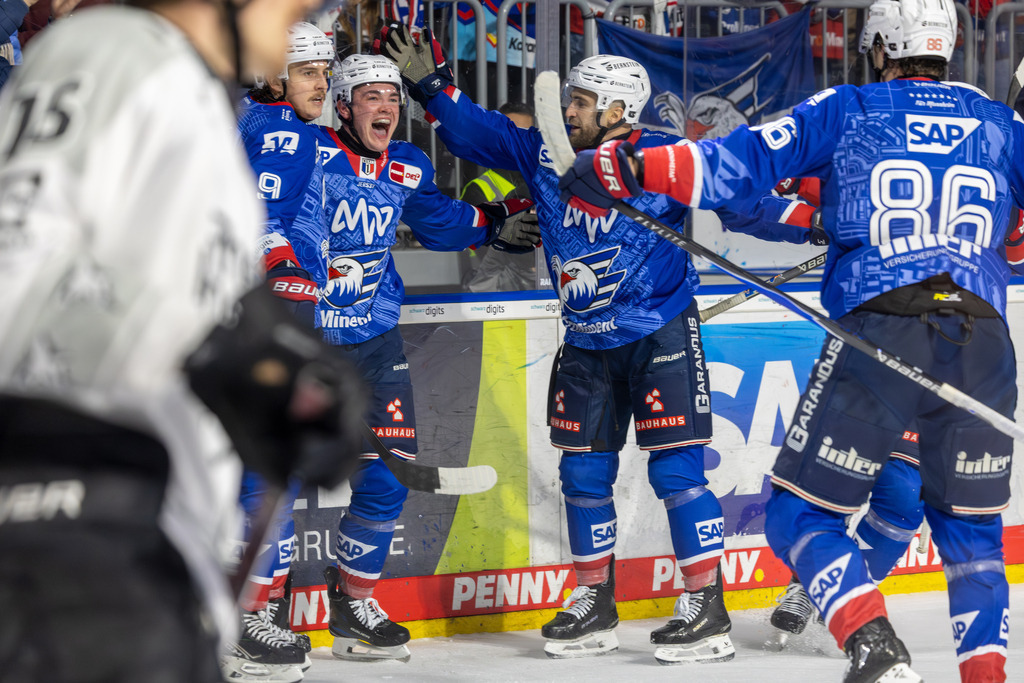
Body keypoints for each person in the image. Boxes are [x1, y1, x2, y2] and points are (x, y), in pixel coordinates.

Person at [559, 0, 1019, 680]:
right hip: (984, 335)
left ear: (882, 46)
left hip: (884, 324)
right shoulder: (1003, 122)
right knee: (972, 534)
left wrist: (627, 166)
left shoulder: (852, 107)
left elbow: (724, 169)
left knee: (799, 515)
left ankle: (873, 644)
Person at [377, 29, 827, 663]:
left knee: (676, 471)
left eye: (582, 102)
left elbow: (742, 201)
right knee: (582, 473)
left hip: (658, 334)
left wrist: (822, 223)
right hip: (586, 341)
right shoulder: (543, 152)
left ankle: (706, 606)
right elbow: (477, 131)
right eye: (571, 101)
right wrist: (431, 87)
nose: (570, 111)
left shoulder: (664, 156)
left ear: (617, 111)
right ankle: (594, 602)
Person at [0, 1, 365, 682]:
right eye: (293, 8)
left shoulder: (195, 97)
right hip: (77, 555)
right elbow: (15, 263)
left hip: (150, 562)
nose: (296, 27)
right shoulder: (112, 50)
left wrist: (263, 363)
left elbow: (165, 292)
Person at [303, 52, 540, 662]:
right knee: (271, 479)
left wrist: (495, 220)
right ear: (343, 103)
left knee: (388, 475)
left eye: (391, 97)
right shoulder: (304, 150)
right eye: (370, 97)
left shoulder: (405, 164)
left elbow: (440, 223)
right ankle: (258, 610)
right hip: (302, 338)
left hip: (376, 342)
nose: (384, 108)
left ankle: (354, 604)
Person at [229, 20, 334, 681]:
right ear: (274, 76)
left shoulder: (254, 118)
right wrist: (284, 265)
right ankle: (244, 620)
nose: (320, 83)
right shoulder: (280, 128)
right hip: (265, 315)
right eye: (306, 72)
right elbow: (258, 215)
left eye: (326, 72)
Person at [458, 100, 538, 292]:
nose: (518, 141)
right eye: (512, 133)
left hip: (537, 291)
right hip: (493, 293)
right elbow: (487, 251)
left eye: (525, 134)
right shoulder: (479, 189)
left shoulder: (541, 181)